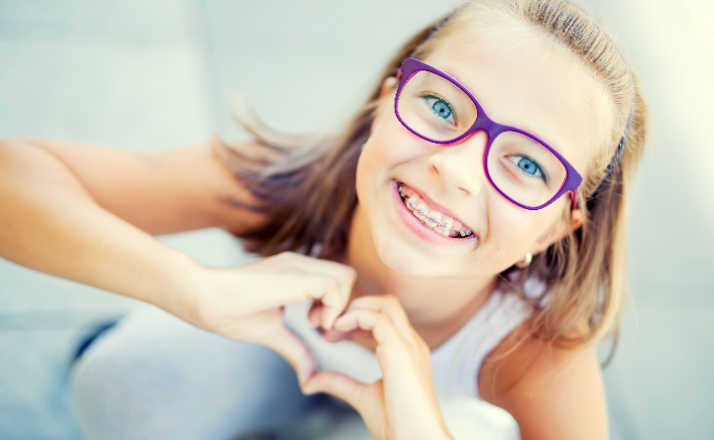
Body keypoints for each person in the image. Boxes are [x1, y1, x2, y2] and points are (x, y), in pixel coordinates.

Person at [0, 0, 648, 438]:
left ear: (556, 228)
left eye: (527, 166)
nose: (456, 169)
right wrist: (189, 286)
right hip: (266, 360)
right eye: (442, 108)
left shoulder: (534, 350)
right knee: (122, 384)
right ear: (387, 103)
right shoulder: (288, 181)